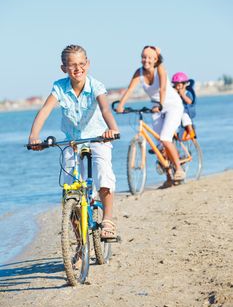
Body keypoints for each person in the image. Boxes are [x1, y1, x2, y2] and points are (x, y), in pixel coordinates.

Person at [28, 44, 120, 239]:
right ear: (64, 68)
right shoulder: (59, 87)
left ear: (88, 64)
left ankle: (108, 221)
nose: (78, 68)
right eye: (72, 65)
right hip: (72, 142)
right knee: (70, 191)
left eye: (81, 64)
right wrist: (34, 136)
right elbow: (45, 111)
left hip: (98, 139)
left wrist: (112, 129)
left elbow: (105, 109)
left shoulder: (96, 86)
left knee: (103, 175)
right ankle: (79, 242)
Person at [116, 45, 185, 188]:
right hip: (156, 108)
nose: (145, 60)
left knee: (165, 138)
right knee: (159, 145)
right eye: (143, 57)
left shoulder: (160, 69)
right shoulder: (139, 73)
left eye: (149, 57)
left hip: (172, 105)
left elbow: (163, 88)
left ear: (155, 59)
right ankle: (169, 178)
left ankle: (178, 169)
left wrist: (160, 103)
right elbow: (129, 90)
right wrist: (120, 105)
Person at [172, 72, 196, 139]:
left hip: (187, 110)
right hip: (176, 110)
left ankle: (190, 131)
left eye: (179, 85)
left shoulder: (187, 93)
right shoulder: (175, 93)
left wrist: (182, 94)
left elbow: (190, 101)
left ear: (184, 84)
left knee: (184, 116)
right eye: (175, 85)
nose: (177, 87)